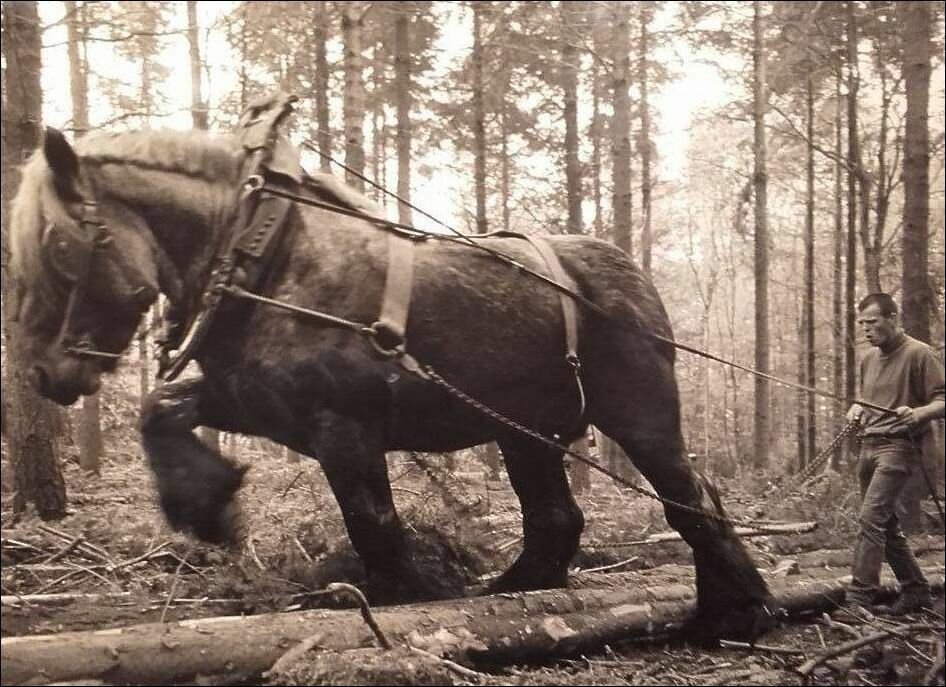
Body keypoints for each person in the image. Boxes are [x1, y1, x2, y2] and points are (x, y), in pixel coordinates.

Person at [843, 293, 945, 616]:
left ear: (893, 318)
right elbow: (869, 396)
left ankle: (859, 600)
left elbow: (943, 400)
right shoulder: (868, 360)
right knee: (884, 524)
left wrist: (918, 414)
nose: (866, 330)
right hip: (869, 445)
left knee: (871, 518)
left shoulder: (920, 354)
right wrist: (858, 407)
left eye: (872, 322)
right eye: (862, 324)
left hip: (900, 447)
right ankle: (916, 591)